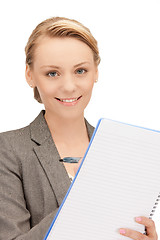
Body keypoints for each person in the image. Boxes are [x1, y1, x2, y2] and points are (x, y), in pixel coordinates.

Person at [0, 16, 157, 240]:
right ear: (30, 75)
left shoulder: (120, 154)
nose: (69, 86)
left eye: (80, 71)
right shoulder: (8, 150)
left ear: (95, 72)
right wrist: (84, 193)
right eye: (52, 73)